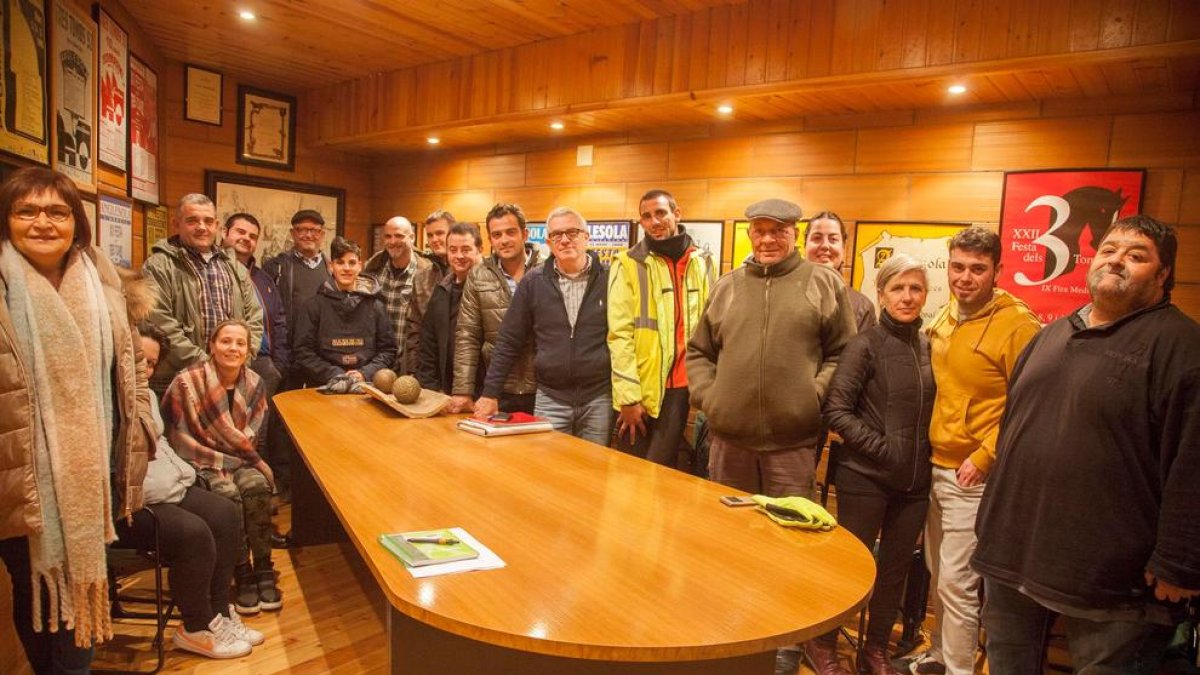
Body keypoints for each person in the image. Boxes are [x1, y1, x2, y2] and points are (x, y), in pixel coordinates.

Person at [974, 216, 1199, 673]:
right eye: (1109, 250)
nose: (1116, 260)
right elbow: (1013, 428)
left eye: (1136, 256)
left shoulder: (1182, 346)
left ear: (1162, 275)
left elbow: (1193, 462)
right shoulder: (1051, 334)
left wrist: (1180, 561)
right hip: (1014, 551)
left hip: (1113, 577)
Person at [0, 166, 154, 672]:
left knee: (87, 579)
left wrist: (141, 426)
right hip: (19, 475)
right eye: (26, 211)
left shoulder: (102, 280)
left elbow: (132, 368)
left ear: (76, 222)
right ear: (6, 220)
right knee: (33, 588)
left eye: (57, 212)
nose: (43, 222)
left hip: (95, 471)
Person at [916, 226, 1040, 675]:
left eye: (977, 269)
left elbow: (1029, 403)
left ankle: (959, 669)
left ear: (997, 271)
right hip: (936, 465)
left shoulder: (1018, 324)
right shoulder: (948, 313)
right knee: (938, 574)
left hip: (972, 475)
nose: (964, 278)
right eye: (957, 267)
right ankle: (939, 655)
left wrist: (986, 455)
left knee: (957, 583)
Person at [687, 198, 855, 497]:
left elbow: (843, 353)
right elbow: (699, 351)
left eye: (778, 231)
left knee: (787, 523)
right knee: (729, 522)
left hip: (792, 445)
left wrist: (814, 395)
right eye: (760, 231)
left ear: (795, 234)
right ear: (750, 235)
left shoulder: (824, 284)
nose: (767, 239)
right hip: (729, 444)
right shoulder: (726, 286)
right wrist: (711, 398)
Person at [816, 254, 935, 675]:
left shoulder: (929, 346)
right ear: (881, 294)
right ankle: (823, 645)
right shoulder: (864, 344)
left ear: (926, 295)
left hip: (914, 484)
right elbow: (837, 410)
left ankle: (876, 650)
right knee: (850, 568)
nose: (907, 296)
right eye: (898, 288)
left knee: (895, 572)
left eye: (915, 288)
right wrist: (884, 450)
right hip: (865, 477)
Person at [127, 325, 263, 658]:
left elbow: (161, 445)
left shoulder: (147, 395)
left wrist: (181, 475)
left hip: (169, 484)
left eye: (151, 363)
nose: (145, 369)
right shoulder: (111, 399)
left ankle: (219, 611)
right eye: (139, 359)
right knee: (195, 532)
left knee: (224, 514)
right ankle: (195, 626)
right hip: (135, 500)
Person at [160, 319, 280, 616]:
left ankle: (263, 565)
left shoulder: (255, 383)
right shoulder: (187, 381)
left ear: (248, 350)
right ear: (211, 346)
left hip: (240, 457)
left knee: (255, 486)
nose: (233, 348)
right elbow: (174, 431)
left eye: (240, 343)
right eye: (225, 341)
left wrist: (237, 456)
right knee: (227, 493)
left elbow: (252, 435)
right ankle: (241, 569)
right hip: (199, 460)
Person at [474, 207, 612, 444]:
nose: (564, 240)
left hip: (598, 398)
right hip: (551, 398)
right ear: (548, 242)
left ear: (586, 237)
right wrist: (490, 393)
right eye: (556, 235)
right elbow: (508, 340)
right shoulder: (533, 282)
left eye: (572, 232)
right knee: (548, 463)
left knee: (596, 464)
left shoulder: (610, 278)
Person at [608, 189, 716, 466]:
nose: (654, 221)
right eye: (646, 216)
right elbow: (619, 335)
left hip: (681, 387)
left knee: (662, 469)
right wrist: (628, 398)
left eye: (660, 213)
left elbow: (712, 325)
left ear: (676, 214)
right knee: (631, 470)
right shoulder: (628, 263)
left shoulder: (702, 261)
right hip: (640, 387)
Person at [142, 194, 263, 393]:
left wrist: (239, 360)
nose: (202, 227)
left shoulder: (235, 267)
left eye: (208, 221)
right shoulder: (159, 265)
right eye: (192, 221)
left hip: (230, 378)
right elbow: (160, 323)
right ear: (176, 224)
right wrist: (207, 365)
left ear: (217, 226)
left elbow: (255, 319)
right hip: (180, 380)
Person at [451, 203, 541, 415]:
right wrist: (462, 390)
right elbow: (467, 335)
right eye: (497, 234)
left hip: (544, 388)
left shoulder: (546, 270)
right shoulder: (478, 275)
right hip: (496, 389)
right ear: (490, 240)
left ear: (524, 234)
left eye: (511, 232)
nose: (504, 240)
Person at [222, 213, 290, 491]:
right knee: (230, 429)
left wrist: (278, 365)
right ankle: (232, 486)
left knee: (259, 431)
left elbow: (279, 321)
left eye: (252, 236)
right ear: (225, 232)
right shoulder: (218, 271)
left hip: (263, 365)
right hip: (228, 364)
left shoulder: (263, 278)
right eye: (240, 232)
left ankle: (256, 489)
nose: (246, 239)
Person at [293, 236, 397, 388]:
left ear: (360, 266)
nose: (346, 268)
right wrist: (335, 374)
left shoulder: (376, 306)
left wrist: (364, 373)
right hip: (323, 386)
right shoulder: (313, 306)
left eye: (352, 262)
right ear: (331, 266)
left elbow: (388, 350)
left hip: (366, 386)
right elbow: (303, 351)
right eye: (340, 262)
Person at [411, 222, 484, 396]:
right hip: (446, 392)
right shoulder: (441, 290)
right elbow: (428, 345)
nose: (459, 256)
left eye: (466, 250)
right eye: (453, 250)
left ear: (479, 250)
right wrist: (431, 390)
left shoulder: (491, 288)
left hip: (483, 392)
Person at [262, 209, 333, 382]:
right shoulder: (275, 267)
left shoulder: (333, 269)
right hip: (288, 356)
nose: (308, 235)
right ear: (292, 233)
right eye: (302, 230)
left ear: (322, 234)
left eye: (314, 230)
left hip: (323, 358)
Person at [363, 216, 432, 371]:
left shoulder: (427, 273)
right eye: (388, 236)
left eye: (399, 236)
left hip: (412, 363)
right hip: (376, 363)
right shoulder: (373, 268)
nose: (393, 241)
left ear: (412, 238)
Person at [804, 211, 877, 332]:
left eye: (833, 239)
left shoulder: (862, 307)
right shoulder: (785, 295)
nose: (825, 245)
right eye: (817, 238)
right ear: (805, 246)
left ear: (843, 249)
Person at [420, 209, 454, 277]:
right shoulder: (422, 276)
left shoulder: (470, 271)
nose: (434, 240)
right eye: (430, 235)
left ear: (453, 233)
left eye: (439, 233)